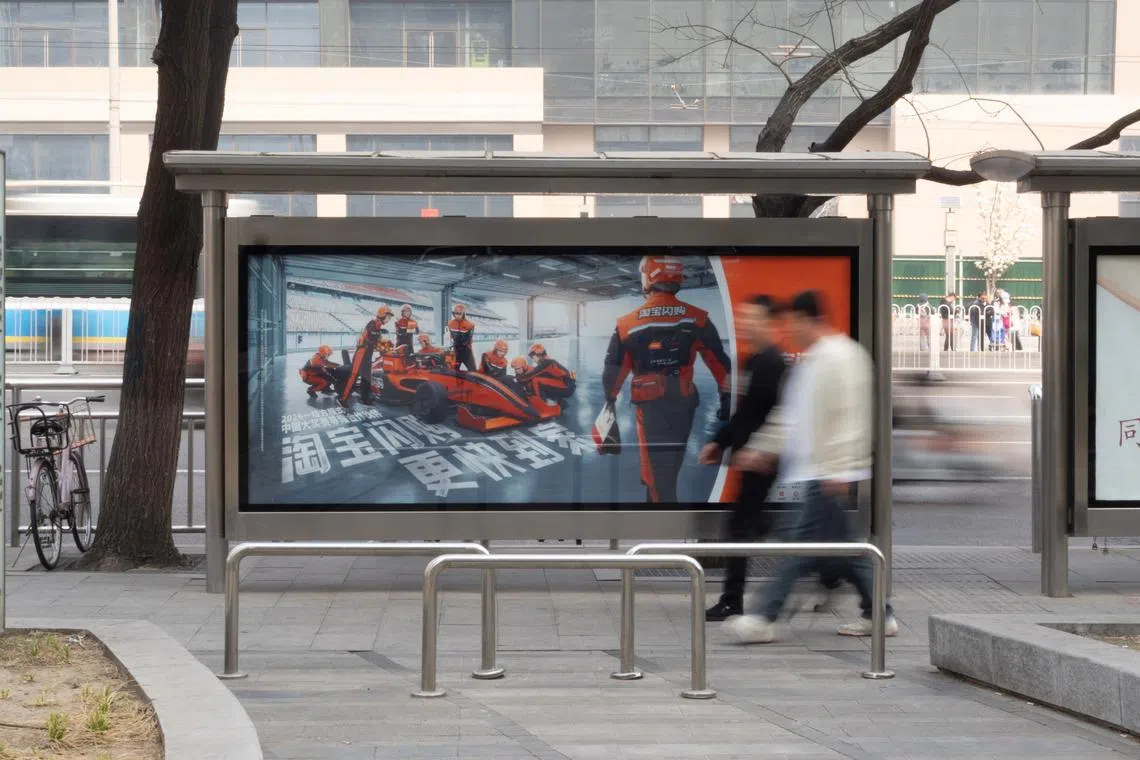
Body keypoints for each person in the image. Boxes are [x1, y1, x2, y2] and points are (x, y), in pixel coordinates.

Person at [726, 289, 898, 643]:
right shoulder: (811, 362)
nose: (791, 332)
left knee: (801, 548)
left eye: (794, 324)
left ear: (809, 320)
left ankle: (763, 616)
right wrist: (761, 449)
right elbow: (789, 417)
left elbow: (855, 417)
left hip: (826, 473)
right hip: (807, 473)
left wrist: (841, 467)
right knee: (845, 550)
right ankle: (880, 613)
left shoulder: (844, 357)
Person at [600, 255, 731, 503]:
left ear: (649, 277)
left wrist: (610, 401)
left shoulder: (627, 324)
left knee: (655, 470)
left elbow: (613, 371)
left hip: (649, 407)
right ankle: (660, 495)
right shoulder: (698, 318)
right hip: (684, 405)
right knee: (672, 461)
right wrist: (727, 400)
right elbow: (720, 363)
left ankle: (659, 511)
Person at [698, 295, 789, 621]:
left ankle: (732, 600)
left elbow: (777, 414)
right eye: (745, 318)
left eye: (753, 319)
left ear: (768, 323)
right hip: (750, 458)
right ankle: (828, 568)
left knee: (742, 526)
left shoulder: (774, 363)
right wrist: (718, 442)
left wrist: (759, 450)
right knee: (751, 525)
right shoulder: (753, 361)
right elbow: (744, 414)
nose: (747, 324)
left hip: (763, 460)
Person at [339, 305, 391, 408]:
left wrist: (386, 348)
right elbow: (372, 335)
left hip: (368, 355)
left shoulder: (379, 326)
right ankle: (343, 399)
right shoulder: (372, 323)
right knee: (354, 375)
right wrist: (381, 338)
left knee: (367, 377)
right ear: (382, 315)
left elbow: (377, 342)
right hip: (361, 353)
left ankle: (365, 398)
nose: (389, 320)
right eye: (388, 317)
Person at [448, 303, 477, 372]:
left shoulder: (470, 325)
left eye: (459, 313)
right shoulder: (450, 323)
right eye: (456, 313)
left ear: (463, 314)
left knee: (473, 370)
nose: (457, 315)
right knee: (453, 371)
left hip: (466, 350)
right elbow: (450, 336)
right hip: (456, 350)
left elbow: (470, 339)